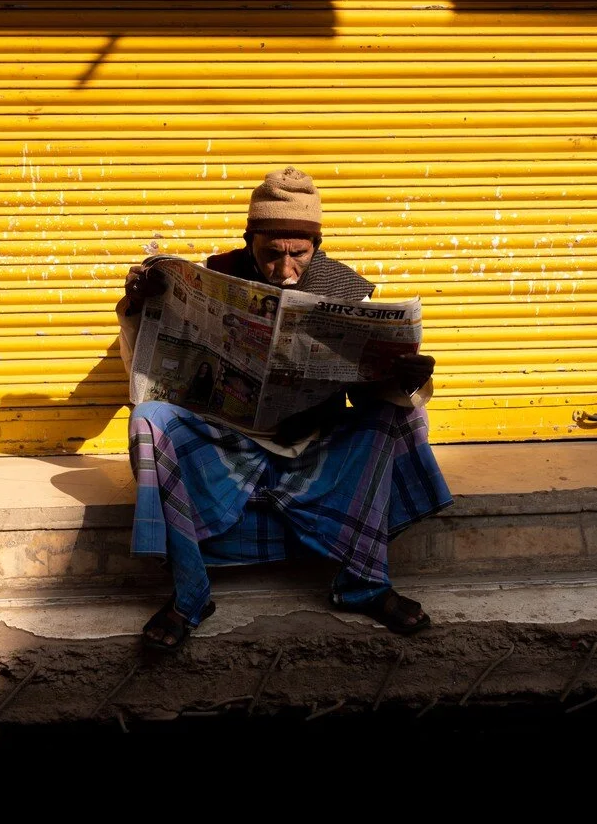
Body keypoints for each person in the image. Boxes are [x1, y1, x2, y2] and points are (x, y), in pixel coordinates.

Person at [118, 166, 453, 650]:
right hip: (229, 440)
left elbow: (371, 397)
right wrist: (139, 309)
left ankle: (365, 585)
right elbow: (145, 376)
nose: (284, 268)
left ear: (317, 245)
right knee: (150, 418)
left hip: (313, 440)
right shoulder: (218, 274)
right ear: (249, 239)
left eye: (299, 253)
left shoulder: (346, 289)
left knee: (397, 417)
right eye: (271, 253)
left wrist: (406, 382)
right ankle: (191, 595)